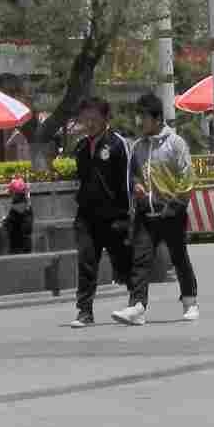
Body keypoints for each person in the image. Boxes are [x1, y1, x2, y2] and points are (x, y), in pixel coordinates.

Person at [114, 92, 200, 324]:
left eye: (144, 117)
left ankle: (190, 301)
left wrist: (174, 206)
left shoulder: (176, 143)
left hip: (171, 211)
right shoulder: (138, 146)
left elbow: (187, 178)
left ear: (158, 118)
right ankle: (137, 307)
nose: (140, 121)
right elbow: (133, 175)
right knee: (140, 260)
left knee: (178, 257)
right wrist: (137, 186)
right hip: (146, 213)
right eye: (138, 116)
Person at [70, 99, 134, 327]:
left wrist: (127, 215)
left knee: (123, 262)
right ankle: (84, 311)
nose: (89, 124)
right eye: (85, 119)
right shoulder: (80, 147)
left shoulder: (118, 144)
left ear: (106, 119)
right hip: (87, 216)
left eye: (94, 119)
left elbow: (127, 182)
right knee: (86, 262)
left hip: (114, 216)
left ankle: (137, 303)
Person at [3, 176, 35, 254]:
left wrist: (4, 222)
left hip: (17, 247)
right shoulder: (27, 205)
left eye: (11, 193)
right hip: (26, 246)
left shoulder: (17, 206)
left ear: (14, 193)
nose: (10, 195)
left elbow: (10, 222)